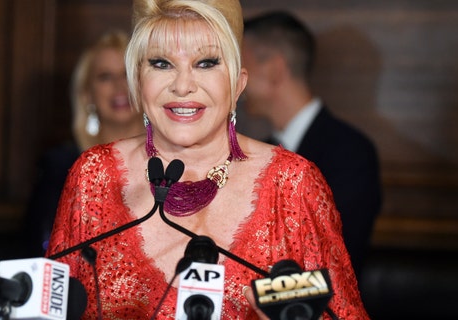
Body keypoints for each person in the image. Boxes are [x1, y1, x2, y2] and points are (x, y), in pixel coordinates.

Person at [46, 0, 369, 318]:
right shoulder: (94, 175)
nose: (183, 86)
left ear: (238, 83)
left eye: (206, 63)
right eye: (161, 63)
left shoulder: (292, 184)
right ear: (137, 80)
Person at [241, 10, 382, 277]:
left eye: (242, 67)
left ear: (274, 69)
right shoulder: (259, 152)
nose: (237, 82)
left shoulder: (350, 152)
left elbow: (335, 260)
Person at [22, 30, 144, 257]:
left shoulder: (172, 161)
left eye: (127, 74)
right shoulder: (60, 166)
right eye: (105, 77)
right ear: (87, 94)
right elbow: (41, 247)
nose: (119, 87)